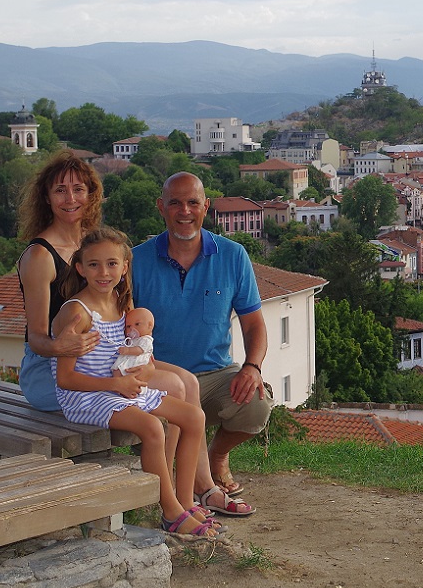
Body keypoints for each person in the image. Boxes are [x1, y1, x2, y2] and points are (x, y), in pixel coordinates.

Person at [17, 151, 253, 516]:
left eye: (78, 189)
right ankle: (168, 498)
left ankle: (193, 488)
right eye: (60, 190)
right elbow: (36, 338)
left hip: (104, 358)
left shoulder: (96, 245)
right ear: (46, 197)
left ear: (91, 194)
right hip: (54, 368)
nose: (70, 198)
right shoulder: (40, 256)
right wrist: (62, 345)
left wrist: (142, 347)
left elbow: (120, 309)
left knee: (188, 382)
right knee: (174, 388)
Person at [51, 228, 216, 538]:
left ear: (125, 266)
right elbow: (65, 379)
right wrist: (115, 386)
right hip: (88, 396)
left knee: (194, 416)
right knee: (153, 428)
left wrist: (144, 370)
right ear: (80, 268)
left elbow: (136, 350)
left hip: (121, 388)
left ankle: (184, 501)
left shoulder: (121, 301)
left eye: (112, 264)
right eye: (94, 265)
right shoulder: (76, 313)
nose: (104, 273)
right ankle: (171, 512)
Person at [132, 172, 273, 503]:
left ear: (206, 206)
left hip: (214, 375)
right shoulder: (135, 261)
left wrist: (252, 367)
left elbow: (254, 324)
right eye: (175, 203)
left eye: (193, 202)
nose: (185, 211)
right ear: (161, 207)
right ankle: (186, 491)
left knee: (256, 405)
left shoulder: (233, 255)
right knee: (166, 414)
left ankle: (217, 456)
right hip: (158, 378)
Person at [113, 307, 155, 375]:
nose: (132, 328)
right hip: (128, 359)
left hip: (137, 362)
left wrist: (128, 350)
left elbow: (140, 350)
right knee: (117, 371)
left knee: (123, 372)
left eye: (137, 324)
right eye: (128, 326)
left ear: (149, 326)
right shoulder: (133, 339)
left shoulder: (146, 340)